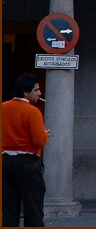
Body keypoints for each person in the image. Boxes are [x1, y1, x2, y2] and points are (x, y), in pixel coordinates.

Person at [2, 74, 50, 227]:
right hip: (28, 163)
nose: (39, 93)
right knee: (33, 209)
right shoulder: (32, 111)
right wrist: (45, 133)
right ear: (26, 92)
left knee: (9, 209)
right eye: (36, 90)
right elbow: (39, 140)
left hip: (6, 161)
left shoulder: (3, 107)